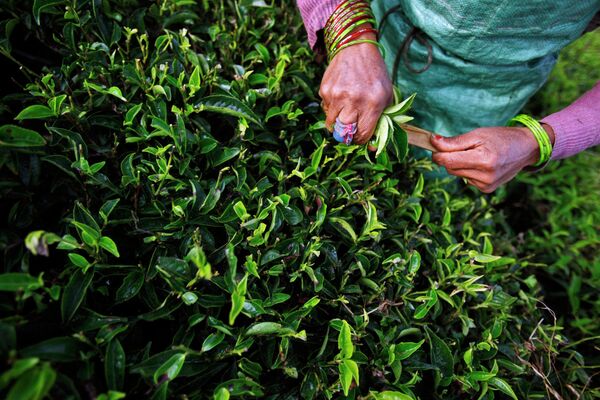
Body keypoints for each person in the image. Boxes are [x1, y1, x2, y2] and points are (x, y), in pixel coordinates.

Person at [297, 0, 600, 192]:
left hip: (491, 85)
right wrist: (348, 31)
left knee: (429, 184)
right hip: (383, 24)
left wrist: (537, 141)